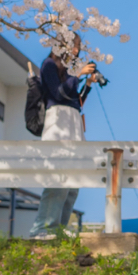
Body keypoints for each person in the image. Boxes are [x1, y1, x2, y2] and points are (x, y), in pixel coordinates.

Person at [29, 33, 100, 239]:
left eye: (78, 46)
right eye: (73, 45)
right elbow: (59, 94)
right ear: (62, 44)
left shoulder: (69, 70)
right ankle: (43, 228)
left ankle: (58, 229)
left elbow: (75, 101)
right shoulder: (49, 64)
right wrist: (77, 74)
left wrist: (86, 85)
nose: (76, 50)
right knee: (57, 180)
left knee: (72, 185)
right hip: (58, 122)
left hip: (73, 122)